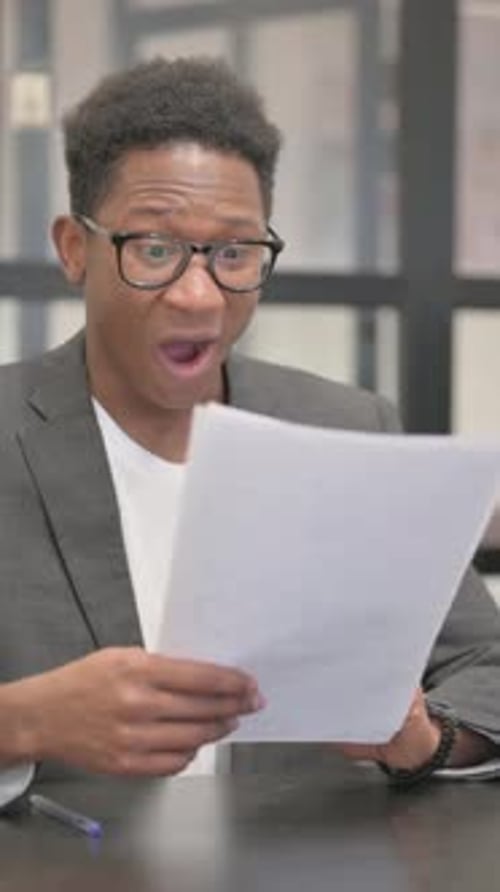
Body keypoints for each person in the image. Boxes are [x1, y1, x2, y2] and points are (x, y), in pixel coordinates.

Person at [1, 56, 500, 808]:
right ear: (76, 248)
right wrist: (23, 721)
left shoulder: (347, 429)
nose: (200, 295)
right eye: (157, 250)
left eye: (234, 252)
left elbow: (487, 666)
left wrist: (420, 739)